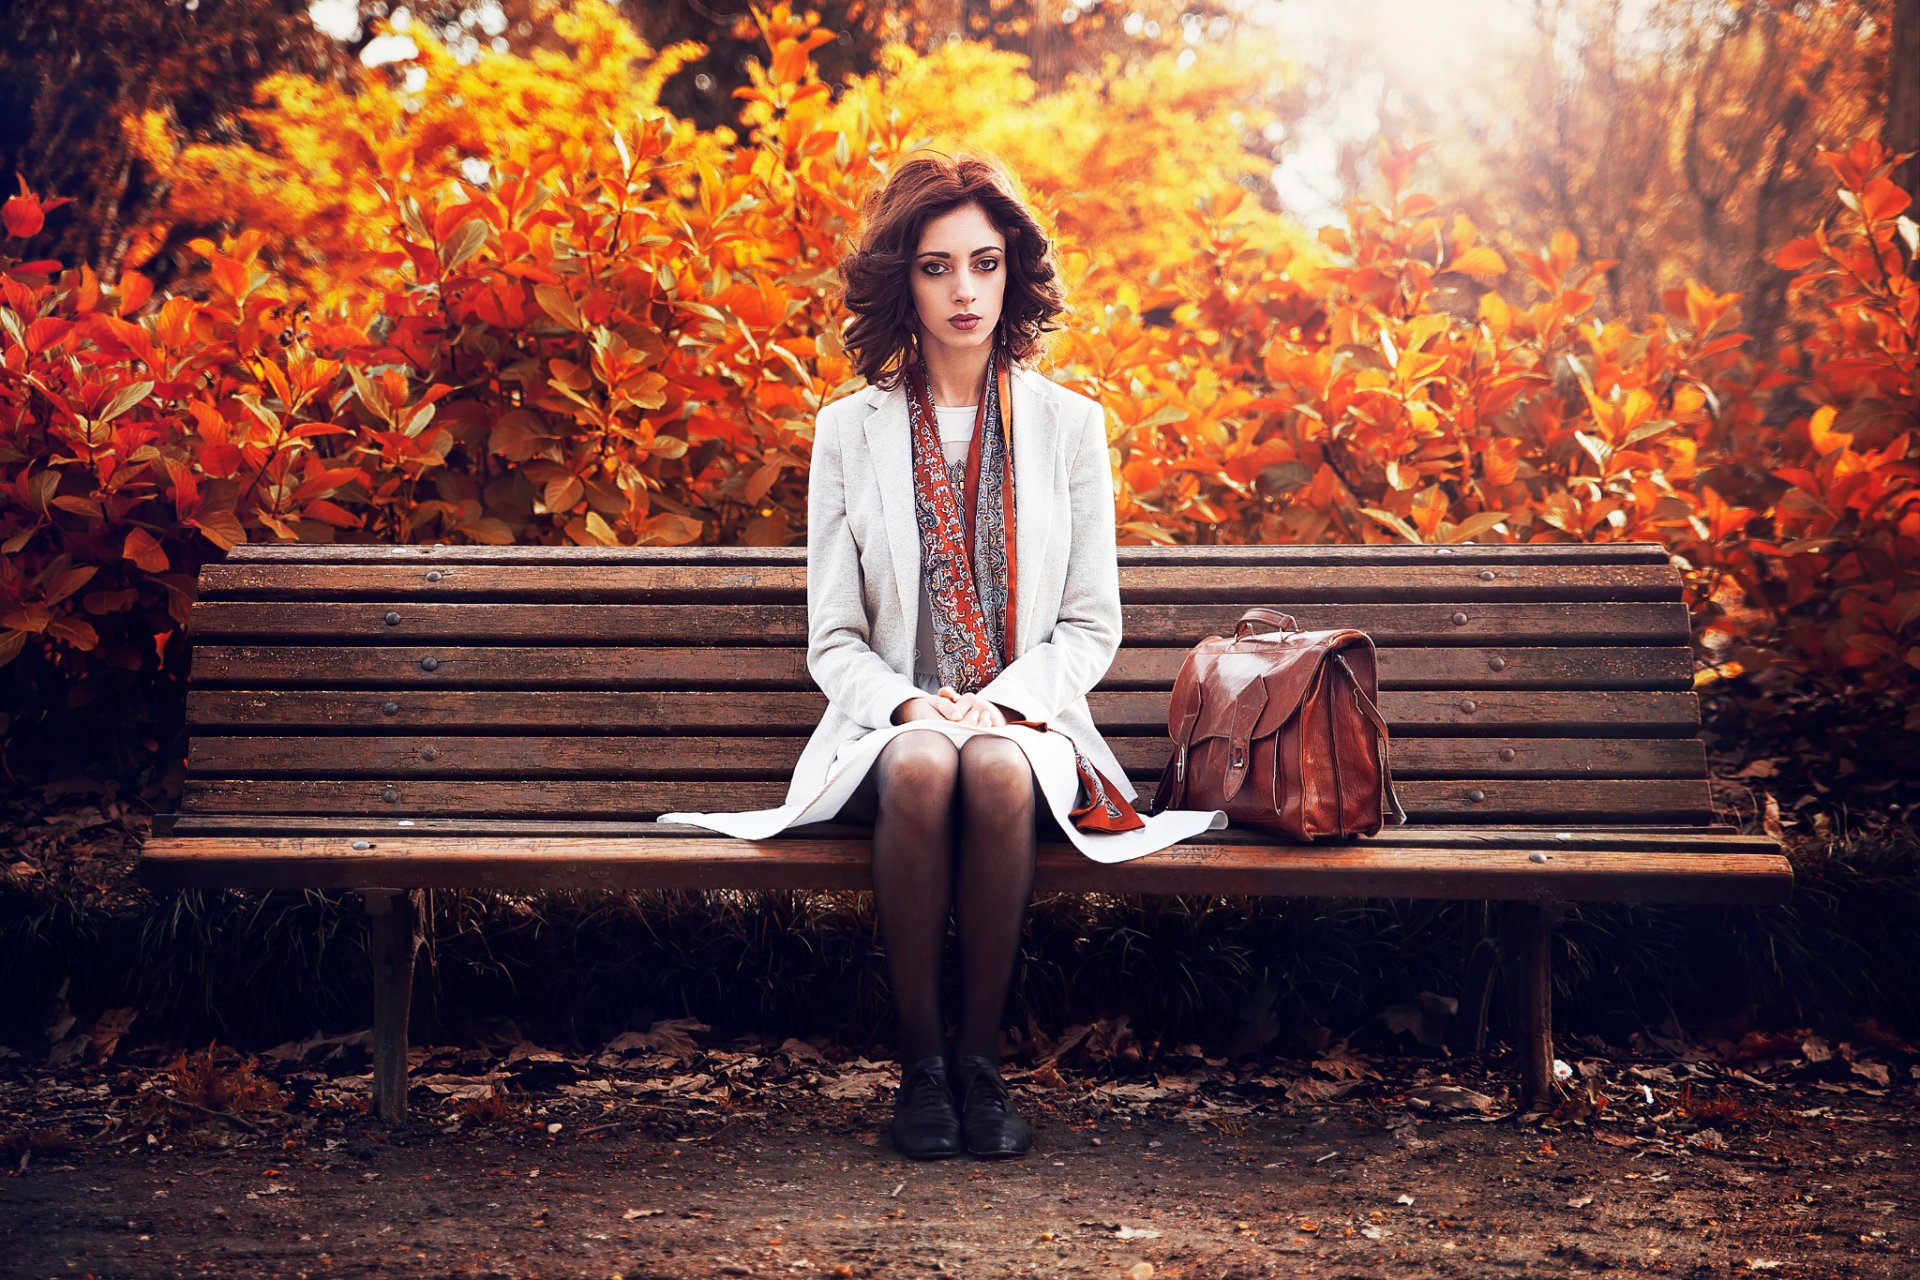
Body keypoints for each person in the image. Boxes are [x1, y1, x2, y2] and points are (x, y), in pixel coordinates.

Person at [658, 150, 1225, 1160]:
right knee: (927, 763)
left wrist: (1001, 705)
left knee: (993, 765)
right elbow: (834, 637)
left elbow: (1090, 624)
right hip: (892, 733)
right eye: (936, 267)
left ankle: (981, 1065)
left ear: (1012, 274)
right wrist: (911, 706)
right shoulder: (849, 430)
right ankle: (920, 1068)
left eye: (983, 263)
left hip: (1028, 725)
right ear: (904, 281)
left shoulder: (1069, 426)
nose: (964, 290)